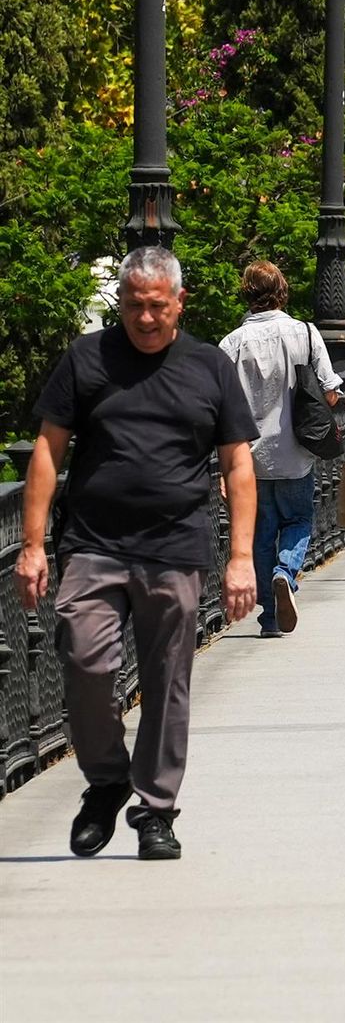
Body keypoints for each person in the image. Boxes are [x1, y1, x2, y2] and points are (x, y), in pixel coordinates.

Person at [16, 246, 258, 861]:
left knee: (166, 684)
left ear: (179, 302)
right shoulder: (87, 359)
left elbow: (237, 462)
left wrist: (241, 557)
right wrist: (33, 544)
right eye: (132, 307)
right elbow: (48, 450)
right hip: (94, 544)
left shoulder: (209, 366)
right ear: (119, 304)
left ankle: (156, 810)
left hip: (175, 548)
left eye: (156, 306)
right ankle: (106, 779)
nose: (144, 319)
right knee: (84, 663)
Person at [218, 260, 343, 638]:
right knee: (298, 520)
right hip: (295, 453)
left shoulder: (230, 344)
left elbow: (217, 410)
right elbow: (331, 391)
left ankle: (270, 618)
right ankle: (285, 572)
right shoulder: (304, 333)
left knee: (258, 533)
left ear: (247, 293)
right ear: (282, 290)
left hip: (247, 460)